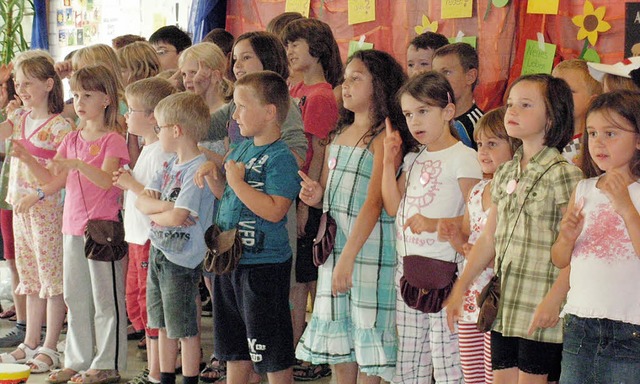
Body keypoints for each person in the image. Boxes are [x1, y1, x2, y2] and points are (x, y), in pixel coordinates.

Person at [445, 74, 583, 383]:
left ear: (551, 117)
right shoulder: (506, 171)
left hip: (541, 305)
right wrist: (461, 286)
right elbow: (488, 239)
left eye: (525, 104)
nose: (512, 112)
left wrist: (554, 299)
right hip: (505, 305)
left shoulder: (565, 175)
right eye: (510, 104)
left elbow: (577, 248)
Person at [199, 31, 306, 384]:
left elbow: (275, 210)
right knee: (234, 348)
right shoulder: (241, 149)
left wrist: (237, 182)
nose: (236, 114)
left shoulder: (280, 159)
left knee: (270, 350)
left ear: (270, 111)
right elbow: (228, 198)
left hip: (262, 267)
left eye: (242, 107)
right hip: (230, 262)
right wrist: (215, 177)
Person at [296, 50, 406, 384]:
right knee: (339, 343)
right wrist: (316, 197)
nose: (346, 85)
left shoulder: (383, 138)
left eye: (357, 78)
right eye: (345, 78)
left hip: (368, 251)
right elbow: (330, 194)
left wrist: (349, 258)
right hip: (337, 250)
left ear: (381, 86)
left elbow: (373, 203)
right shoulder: (338, 134)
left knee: (368, 341)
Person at [382, 71, 482, 384]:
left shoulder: (466, 158)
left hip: (447, 272)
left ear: (448, 111)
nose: (414, 122)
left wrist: (435, 223)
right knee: (410, 359)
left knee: (448, 360)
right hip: (409, 270)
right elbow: (393, 207)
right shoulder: (413, 159)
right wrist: (388, 161)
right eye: (409, 114)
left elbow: (478, 219)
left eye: (423, 111)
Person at [37, 65, 130, 384]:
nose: (79, 101)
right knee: (75, 298)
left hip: (103, 230)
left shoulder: (113, 140)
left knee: (106, 299)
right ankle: (77, 359)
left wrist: (77, 164)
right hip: (72, 228)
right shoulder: (73, 138)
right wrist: (27, 158)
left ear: (106, 98)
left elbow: (106, 181)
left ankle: (107, 363)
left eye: (87, 95)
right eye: (76, 95)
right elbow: (55, 178)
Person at [550, 90, 640, 383]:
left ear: (638, 139)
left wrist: (626, 207)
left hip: (629, 328)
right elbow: (560, 259)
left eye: (611, 133)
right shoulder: (584, 189)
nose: (598, 142)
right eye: (592, 133)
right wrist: (566, 237)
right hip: (580, 324)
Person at [135, 92, 214, 384]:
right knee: (163, 323)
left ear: (177, 130)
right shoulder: (168, 165)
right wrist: (167, 208)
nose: (158, 133)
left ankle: (190, 377)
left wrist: (165, 212)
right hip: (159, 251)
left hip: (180, 258)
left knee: (185, 327)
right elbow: (142, 202)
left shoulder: (197, 169)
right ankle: (166, 376)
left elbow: (180, 218)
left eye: (161, 128)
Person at [0, 55, 72, 374]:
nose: (22, 88)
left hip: (46, 212)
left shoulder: (60, 126)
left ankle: (50, 346)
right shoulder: (19, 117)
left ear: (48, 84)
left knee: (51, 281)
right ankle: (30, 341)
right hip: (21, 209)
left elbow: (58, 179)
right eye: (18, 82)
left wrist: (29, 160)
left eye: (28, 82)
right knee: (30, 280)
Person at [438, 107, 521, 384]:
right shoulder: (476, 192)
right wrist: (455, 237)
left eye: (493, 144)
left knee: (494, 373)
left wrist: (484, 257)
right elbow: (466, 238)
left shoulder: (516, 191)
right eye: (481, 144)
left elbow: (511, 245)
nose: (483, 152)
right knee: (472, 374)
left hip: (496, 300)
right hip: (470, 296)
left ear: (514, 147)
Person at [281, 19, 342, 380]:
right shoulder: (295, 87)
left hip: (307, 192)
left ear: (316, 49)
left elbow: (318, 152)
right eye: (287, 46)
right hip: (291, 190)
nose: (289, 52)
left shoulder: (320, 95)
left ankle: (306, 350)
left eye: (296, 45)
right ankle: (296, 346)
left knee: (305, 277)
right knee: (297, 278)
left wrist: (308, 204)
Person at [112, 77, 176, 384]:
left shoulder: (162, 153)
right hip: (137, 238)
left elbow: (158, 200)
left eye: (131, 109)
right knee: (138, 304)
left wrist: (130, 184)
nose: (125, 115)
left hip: (151, 240)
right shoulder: (150, 150)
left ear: (152, 117)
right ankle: (154, 368)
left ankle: (156, 371)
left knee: (152, 310)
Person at [552, 59, 602, 166]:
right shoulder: (547, 134)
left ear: (592, 101)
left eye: (568, 91)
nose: (557, 96)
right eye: (553, 90)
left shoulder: (591, 144)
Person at [432, 43, 482, 149]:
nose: (439, 80)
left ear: (470, 76)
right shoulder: (435, 121)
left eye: (446, 72)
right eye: (435, 74)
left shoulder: (480, 125)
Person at [178, 42, 233, 114]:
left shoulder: (229, 113)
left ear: (215, 76)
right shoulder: (186, 112)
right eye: (184, 74)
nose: (187, 80)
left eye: (194, 73)